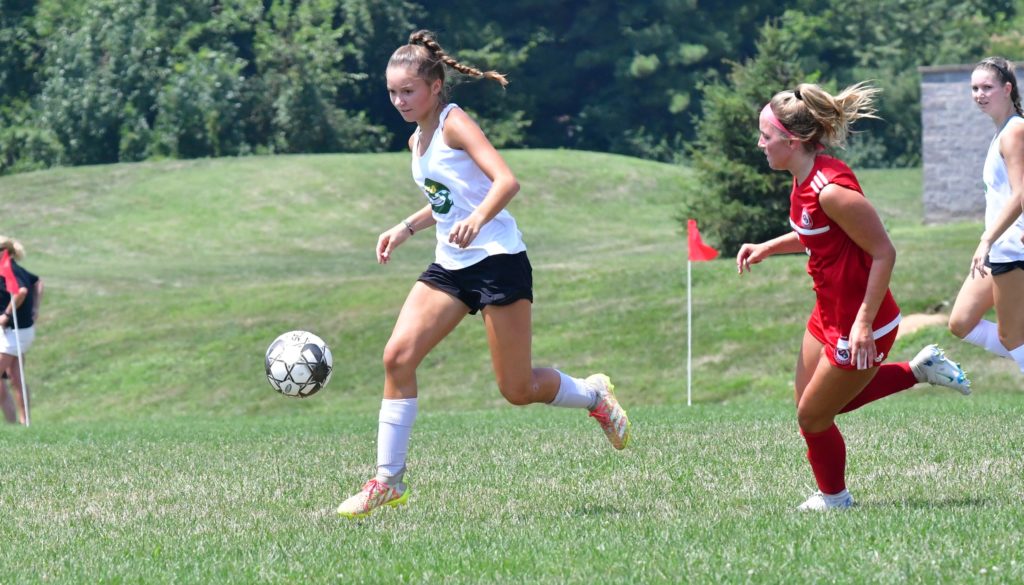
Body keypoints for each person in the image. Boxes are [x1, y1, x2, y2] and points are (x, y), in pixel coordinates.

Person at [336, 30, 631, 518]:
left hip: (497, 261)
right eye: (392, 92)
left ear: (435, 86)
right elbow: (447, 200)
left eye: (408, 91)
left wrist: (478, 220)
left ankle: (594, 394)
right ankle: (388, 481)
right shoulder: (416, 138)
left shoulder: (454, 123)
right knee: (397, 358)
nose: (399, 100)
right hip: (451, 267)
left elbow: (505, 181)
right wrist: (405, 228)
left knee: (517, 389)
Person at [735, 83, 971, 512]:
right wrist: (768, 246)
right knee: (811, 404)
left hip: (863, 321)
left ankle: (836, 499)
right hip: (828, 312)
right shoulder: (803, 179)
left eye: (765, 136)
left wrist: (862, 324)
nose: (759, 144)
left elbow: (884, 252)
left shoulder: (830, 189)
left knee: (813, 417)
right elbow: (815, 233)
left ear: (793, 141)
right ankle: (919, 370)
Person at [947, 57, 1024, 373]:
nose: (979, 94)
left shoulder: (1014, 131)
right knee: (961, 322)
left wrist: (986, 239)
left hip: (1012, 247)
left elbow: (1020, 194)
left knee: (1012, 338)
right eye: (975, 88)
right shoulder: (1003, 131)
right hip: (999, 247)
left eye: (987, 87)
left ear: (1007, 89)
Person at [0, 236, 41, 425]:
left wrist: (6, 314)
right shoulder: (12, 268)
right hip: (16, 332)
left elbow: (21, 291)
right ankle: (22, 422)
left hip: (14, 332)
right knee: (17, 378)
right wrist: (35, 308)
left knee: (14, 378)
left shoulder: (9, 269)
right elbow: (37, 282)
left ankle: (18, 421)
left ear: (4, 252)